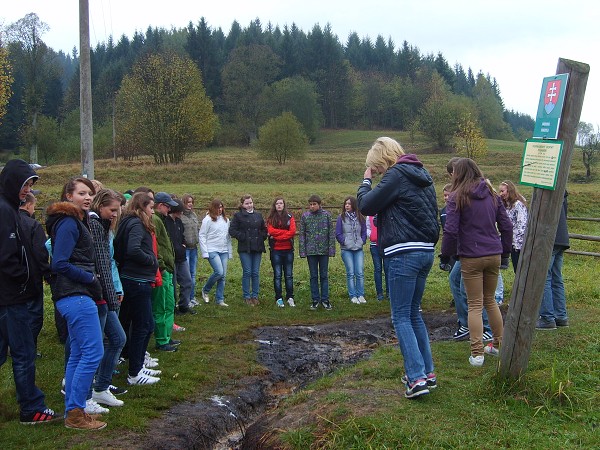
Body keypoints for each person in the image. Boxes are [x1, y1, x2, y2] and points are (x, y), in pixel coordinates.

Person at [357, 137, 439, 399]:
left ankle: (415, 379)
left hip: (403, 253)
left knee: (401, 316)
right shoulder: (422, 174)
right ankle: (427, 372)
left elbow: (366, 205)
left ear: (382, 160)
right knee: (414, 314)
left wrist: (366, 181)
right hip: (425, 251)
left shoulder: (396, 175)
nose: (379, 173)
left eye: (377, 167)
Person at [0, 159, 60, 425]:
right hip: (14, 296)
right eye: (25, 184)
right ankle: (31, 408)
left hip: (9, 295)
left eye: (31, 185)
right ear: (12, 182)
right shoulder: (4, 211)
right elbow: (6, 256)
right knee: (23, 352)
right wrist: (24, 278)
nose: (28, 191)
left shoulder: (10, 209)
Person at [45, 177, 106, 429]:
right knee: (94, 353)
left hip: (73, 296)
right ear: (68, 196)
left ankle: (74, 409)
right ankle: (76, 413)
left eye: (90, 194)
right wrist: (89, 277)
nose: (88, 197)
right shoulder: (69, 223)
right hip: (76, 295)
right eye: (82, 193)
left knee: (78, 355)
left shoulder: (74, 222)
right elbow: (59, 263)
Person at [440, 158, 512, 367]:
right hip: (494, 254)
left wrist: (446, 256)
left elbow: (451, 230)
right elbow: (506, 226)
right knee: (490, 300)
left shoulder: (456, 197)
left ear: (459, 174)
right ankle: (498, 344)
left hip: (471, 256)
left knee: (474, 304)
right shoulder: (492, 195)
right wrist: (505, 253)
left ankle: (477, 353)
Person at [114, 192, 161, 383]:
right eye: (150, 208)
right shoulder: (136, 224)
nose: (152, 212)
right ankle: (135, 371)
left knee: (133, 323)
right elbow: (133, 249)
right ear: (142, 207)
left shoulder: (126, 222)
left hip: (132, 278)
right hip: (137, 280)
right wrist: (151, 260)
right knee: (144, 325)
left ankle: (135, 363)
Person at [88, 189, 128, 408]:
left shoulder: (103, 226)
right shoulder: (94, 226)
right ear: (100, 205)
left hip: (106, 294)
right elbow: (101, 265)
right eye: (112, 210)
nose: (115, 214)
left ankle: (100, 388)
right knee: (96, 345)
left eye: (118, 210)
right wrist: (110, 297)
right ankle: (88, 393)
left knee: (117, 339)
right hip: (99, 295)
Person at [18, 192, 50, 355]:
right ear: (29, 205)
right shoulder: (33, 225)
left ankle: (12, 344)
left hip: (10, 275)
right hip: (31, 275)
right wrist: (47, 273)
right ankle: (28, 348)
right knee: (33, 314)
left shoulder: (7, 221)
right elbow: (40, 252)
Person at [151, 191, 182, 352]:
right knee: (161, 306)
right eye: (168, 206)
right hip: (162, 269)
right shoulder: (155, 219)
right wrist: (161, 265)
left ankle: (167, 336)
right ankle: (162, 339)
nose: (169, 210)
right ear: (161, 205)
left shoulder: (160, 219)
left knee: (169, 304)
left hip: (167, 268)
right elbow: (156, 245)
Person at [536, 192, 570, 330]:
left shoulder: (548, 192)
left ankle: (547, 318)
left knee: (544, 277)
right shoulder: (563, 193)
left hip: (551, 238)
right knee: (556, 278)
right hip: (562, 237)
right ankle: (561, 316)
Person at [299, 194, 336, 310]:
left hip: (324, 250)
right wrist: (302, 251)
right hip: (311, 251)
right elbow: (302, 235)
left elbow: (331, 233)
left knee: (324, 276)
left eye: (314, 204)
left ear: (319, 205)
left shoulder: (327, 216)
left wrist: (331, 249)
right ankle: (315, 300)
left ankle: (325, 299)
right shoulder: (305, 217)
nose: (312, 206)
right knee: (313, 276)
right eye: (310, 204)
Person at [229, 195, 267, 306]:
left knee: (255, 272)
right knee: (247, 272)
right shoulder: (238, 216)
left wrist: (261, 237)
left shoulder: (258, 215)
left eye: (251, 202)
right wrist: (243, 237)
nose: (249, 205)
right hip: (245, 248)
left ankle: (255, 295)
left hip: (257, 247)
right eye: (247, 203)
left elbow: (264, 229)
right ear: (242, 204)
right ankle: (246, 296)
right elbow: (232, 230)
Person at [199, 199, 233, 307]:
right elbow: (202, 235)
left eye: (221, 207)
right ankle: (205, 289)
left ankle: (220, 299)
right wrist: (205, 252)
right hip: (212, 249)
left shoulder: (226, 220)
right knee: (219, 272)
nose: (220, 210)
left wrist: (229, 252)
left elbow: (228, 237)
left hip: (223, 250)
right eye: (217, 207)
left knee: (223, 276)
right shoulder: (208, 220)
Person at [336, 196, 367, 304]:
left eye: (349, 204)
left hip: (358, 248)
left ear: (354, 205)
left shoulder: (360, 217)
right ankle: (353, 295)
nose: (347, 206)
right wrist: (345, 242)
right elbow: (338, 233)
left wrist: (361, 241)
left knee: (359, 272)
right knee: (350, 272)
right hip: (346, 249)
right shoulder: (341, 217)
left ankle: (361, 294)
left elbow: (364, 232)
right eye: (346, 204)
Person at [266, 197, 296, 307]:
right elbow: (270, 230)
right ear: (274, 205)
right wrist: (284, 234)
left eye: (281, 203)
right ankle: (278, 297)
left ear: (284, 205)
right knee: (277, 275)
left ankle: (290, 297)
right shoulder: (271, 218)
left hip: (288, 249)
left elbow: (292, 231)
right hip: (276, 250)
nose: (279, 205)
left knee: (289, 275)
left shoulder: (289, 217)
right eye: (277, 203)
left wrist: (278, 236)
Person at [167, 198, 194, 316]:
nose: (182, 213)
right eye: (180, 210)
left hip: (182, 257)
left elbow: (182, 235)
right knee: (172, 286)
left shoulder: (178, 222)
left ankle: (184, 306)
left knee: (187, 281)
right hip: (172, 259)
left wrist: (183, 244)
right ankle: (172, 308)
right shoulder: (166, 222)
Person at [499, 180, 528, 272]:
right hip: (510, 241)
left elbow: (522, 224)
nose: (501, 194)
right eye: (500, 191)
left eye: (502, 191)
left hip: (518, 243)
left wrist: (517, 243)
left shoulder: (518, 204)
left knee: (519, 268)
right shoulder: (505, 205)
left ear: (509, 190)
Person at [180, 194, 200, 305]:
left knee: (193, 273)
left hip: (194, 248)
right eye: (188, 202)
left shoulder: (194, 215)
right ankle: (185, 299)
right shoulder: (181, 217)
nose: (190, 204)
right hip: (185, 248)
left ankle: (192, 297)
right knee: (186, 275)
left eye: (191, 202)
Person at [366, 215, 387, 301]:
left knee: (387, 268)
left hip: (386, 244)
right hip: (374, 245)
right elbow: (367, 227)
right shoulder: (369, 216)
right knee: (378, 269)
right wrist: (370, 235)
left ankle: (389, 292)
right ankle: (379, 293)